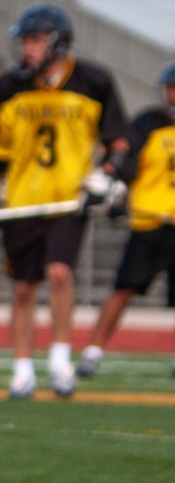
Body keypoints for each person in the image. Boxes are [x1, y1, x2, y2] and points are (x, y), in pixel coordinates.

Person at [0, 2, 126, 399]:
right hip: (21, 202)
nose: (27, 49)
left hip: (67, 202)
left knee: (60, 273)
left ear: (58, 43)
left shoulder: (93, 81)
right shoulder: (8, 86)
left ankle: (60, 361)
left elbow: (119, 144)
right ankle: (22, 369)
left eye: (36, 41)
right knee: (24, 288)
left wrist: (105, 178)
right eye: (25, 41)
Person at [77, 62, 175, 379]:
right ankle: (93, 351)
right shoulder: (149, 123)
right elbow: (126, 162)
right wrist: (119, 192)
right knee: (124, 288)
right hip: (149, 222)